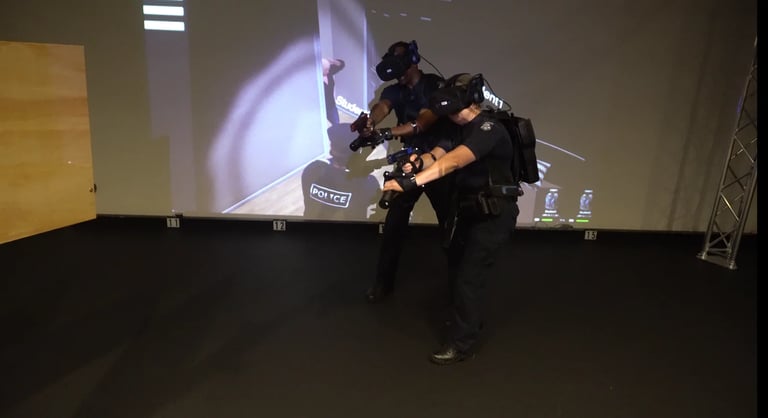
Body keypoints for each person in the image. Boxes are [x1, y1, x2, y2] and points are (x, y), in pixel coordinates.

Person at [382, 73, 520, 365]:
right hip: (467, 210)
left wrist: (412, 182)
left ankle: (461, 343)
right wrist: (416, 163)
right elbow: (437, 154)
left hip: (493, 213)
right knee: (457, 269)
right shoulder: (456, 128)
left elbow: (455, 160)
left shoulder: (488, 128)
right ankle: (467, 321)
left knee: (470, 276)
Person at [362, 40, 458, 303]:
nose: (399, 76)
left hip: (438, 159)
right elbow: (383, 106)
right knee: (394, 223)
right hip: (409, 160)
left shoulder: (434, 85)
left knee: (449, 225)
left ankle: (458, 287)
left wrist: (385, 133)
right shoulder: (395, 90)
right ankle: (383, 283)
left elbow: (423, 123)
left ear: (414, 61)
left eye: (402, 69)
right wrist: (371, 121)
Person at [301, 123, 381, 221]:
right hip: (349, 231)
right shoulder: (368, 183)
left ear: (332, 147)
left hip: (310, 229)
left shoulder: (312, 169)